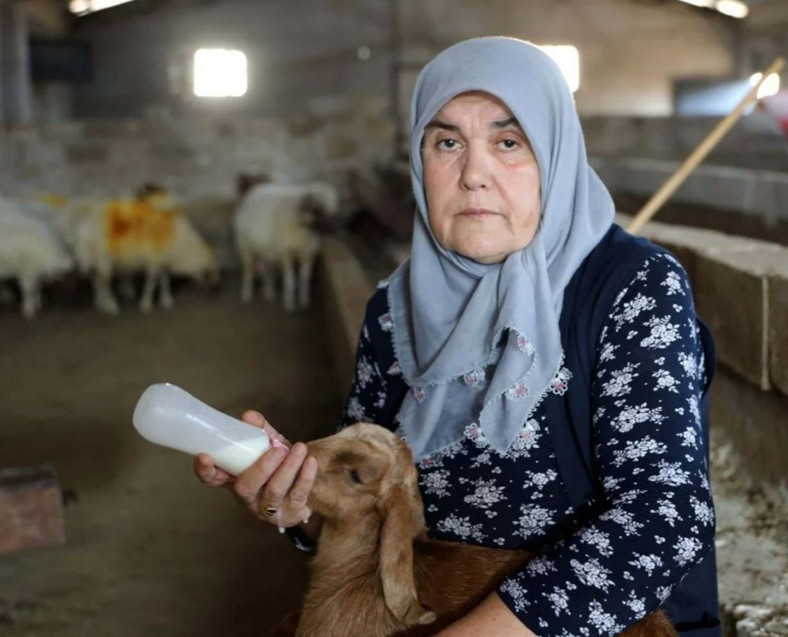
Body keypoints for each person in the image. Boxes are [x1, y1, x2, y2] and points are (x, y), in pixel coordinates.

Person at [195, 36, 720, 637]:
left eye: (508, 142)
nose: (473, 175)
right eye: (447, 142)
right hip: (421, 609)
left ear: (555, 155)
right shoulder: (394, 311)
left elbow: (665, 517)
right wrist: (292, 499)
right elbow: (369, 507)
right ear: (420, 165)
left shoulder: (632, 288)